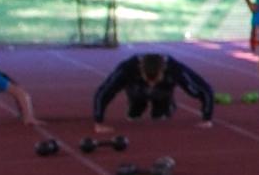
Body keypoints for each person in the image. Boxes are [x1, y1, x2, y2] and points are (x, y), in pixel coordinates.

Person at [89, 50, 219, 128]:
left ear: (163, 70)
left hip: (163, 90)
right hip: (137, 88)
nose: (151, 84)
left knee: (160, 116)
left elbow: (205, 89)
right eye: (148, 79)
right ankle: (136, 104)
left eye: (155, 79)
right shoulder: (127, 68)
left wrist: (207, 118)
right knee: (134, 115)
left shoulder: (175, 69)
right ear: (141, 70)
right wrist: (98, 121)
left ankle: (166, 104)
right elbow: (104, 92)